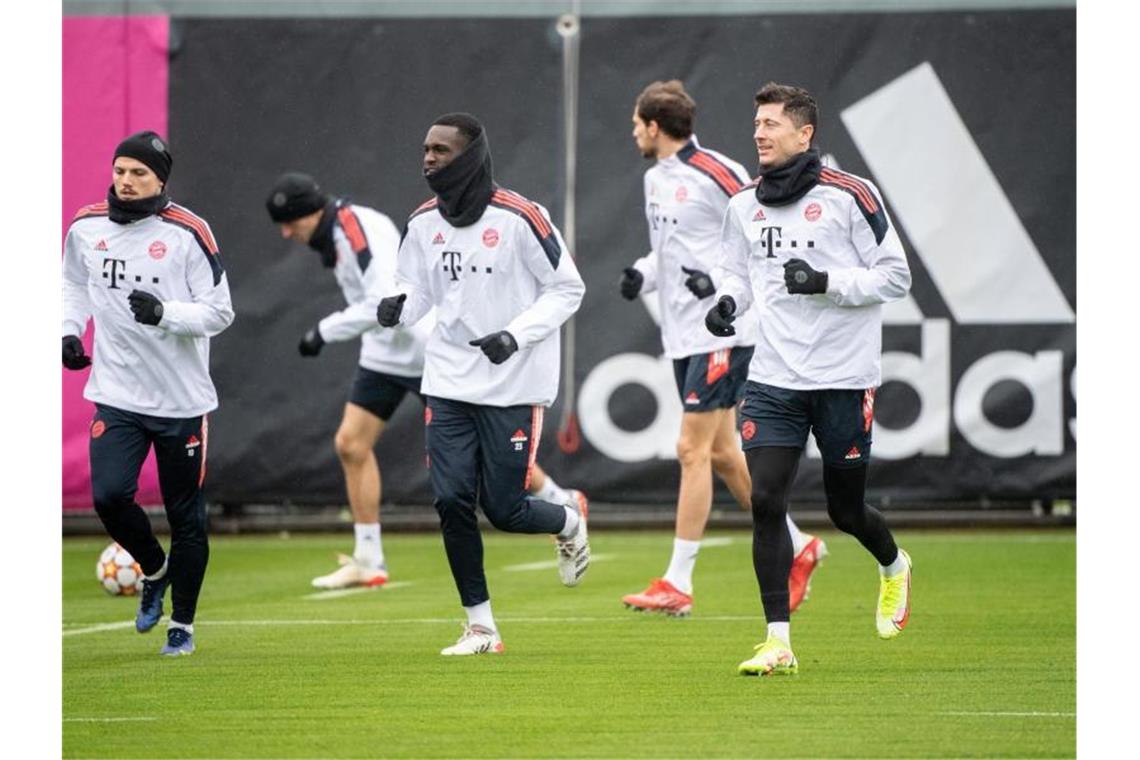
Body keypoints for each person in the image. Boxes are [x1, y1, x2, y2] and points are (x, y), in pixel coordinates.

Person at [266, 173, 586, 590]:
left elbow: (385, 301)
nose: (288, 233)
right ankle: (368, 558)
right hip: (384, 354)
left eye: (291, 222)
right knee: (351, 443)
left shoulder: (355, 229)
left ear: (311, 211)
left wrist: (324, 331)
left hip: (423, 352)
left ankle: (561, 502)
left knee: (495, 462)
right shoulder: (338, 235)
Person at [706, 83, 913, 676]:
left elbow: (896, 277)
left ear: (805, 134)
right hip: (773, 377)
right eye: (756, 123)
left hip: (844, 377)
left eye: (771, 123)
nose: (759, 133)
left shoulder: (852, 195)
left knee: (845, 510)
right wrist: (726, 303)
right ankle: (778, 641)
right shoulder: (743, 204)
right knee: (766, 499)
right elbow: (735, 273)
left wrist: (826, 281)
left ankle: (894, 566)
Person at [376, 113, 588, 656]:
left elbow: (567, 289)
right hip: (447, 381)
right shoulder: (422, 222)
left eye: (440, 151)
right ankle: (481, 627)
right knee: (450, 501)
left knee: (505, 509)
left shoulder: (522, 216)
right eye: (425, 149)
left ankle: (567, 520)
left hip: (512, 385)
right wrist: (399, 308)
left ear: (469, 157)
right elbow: (418, 291)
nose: (427, 159)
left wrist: (515, 336)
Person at [618, 80, 826, 618]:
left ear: (655, 126)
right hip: (681, 333)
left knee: (691, 450)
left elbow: (759, 227)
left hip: (724, 331)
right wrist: (642, 275)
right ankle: (800, 545)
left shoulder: (716, 171)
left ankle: (678, 581)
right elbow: (670, 249)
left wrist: (722, 286)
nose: (634, 131)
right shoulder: (653, 179)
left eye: (638, 122)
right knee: (723, 454)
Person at [62, 131, 235, 656]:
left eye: (139, 173)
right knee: (109, 496)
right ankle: (155, 570)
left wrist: (166, 314)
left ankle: (181, 625)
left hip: (181, 402)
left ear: (160, 179)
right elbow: (70, 284)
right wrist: (68, 330)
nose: (126, 181)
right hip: (116, 393)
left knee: (187, 517)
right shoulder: (86, 226)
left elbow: (220, 311)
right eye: (120, 170)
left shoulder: (188, 232)